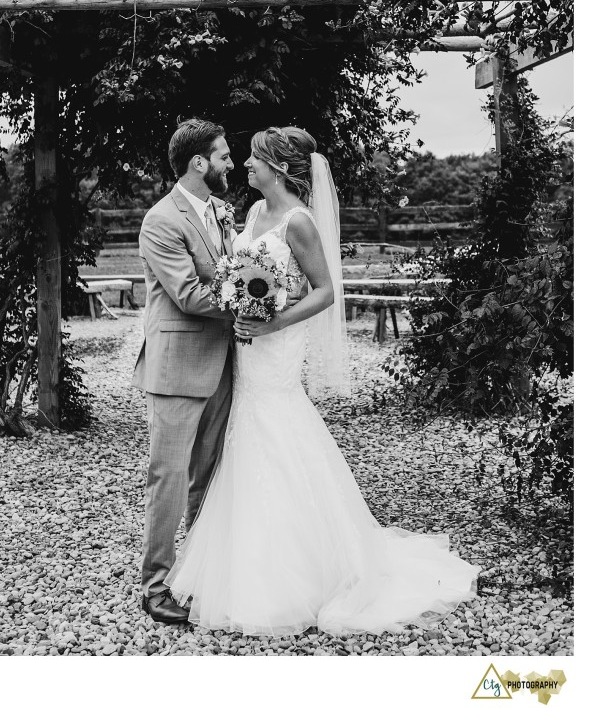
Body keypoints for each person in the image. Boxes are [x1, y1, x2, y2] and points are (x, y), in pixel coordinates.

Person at [165, 126, 480, 636]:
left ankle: (305, 572)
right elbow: (244, 272)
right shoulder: (250, 214)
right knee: (247, 438)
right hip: (250, 351)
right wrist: (243, 300)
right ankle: (248, 561)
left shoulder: (299, 222)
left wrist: (274, 320)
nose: (245, 166)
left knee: (280, 433)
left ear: (279, 169)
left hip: (277, 347)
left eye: (254, 160)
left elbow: (325, 291)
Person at [132, 118, 236, 624]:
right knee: (168, 478)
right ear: (199, 163)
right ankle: (155, 587)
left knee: (209, 474)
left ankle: (195, 573)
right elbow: (190, 295)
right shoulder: (161, 220)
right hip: (177, 365)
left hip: (225, 363)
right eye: (223, 155)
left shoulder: (220, 211)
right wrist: (258, 302)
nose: (231, 163)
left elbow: (233, 269)